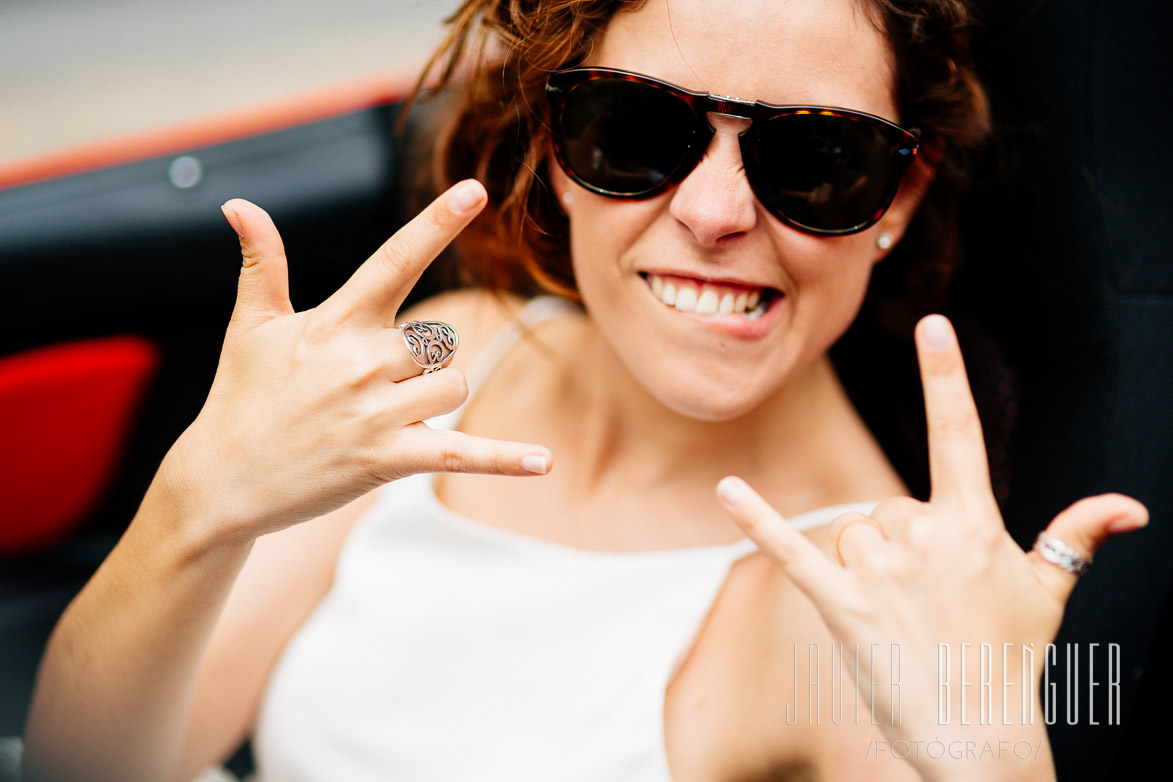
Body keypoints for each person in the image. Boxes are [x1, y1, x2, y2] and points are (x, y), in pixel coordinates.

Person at [20, 1, 1148, 780]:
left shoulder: (853, 600)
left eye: (816, 160)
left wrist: (991, 752)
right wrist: (196, 498)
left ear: (898, 196)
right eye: (636, 128)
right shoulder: (443, 354)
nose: (714, 215)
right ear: (558, 150)